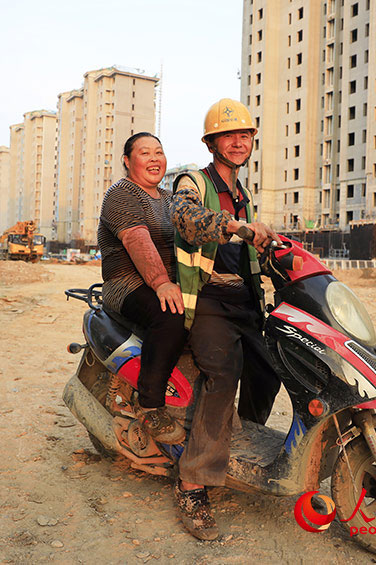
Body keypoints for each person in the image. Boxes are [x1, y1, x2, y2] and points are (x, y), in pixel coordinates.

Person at [170, 99, 283, 539]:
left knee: (270, 368)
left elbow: (249, 249)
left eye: (246, 135)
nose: (239, 142)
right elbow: (185, 218)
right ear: (212, 142)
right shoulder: (193, 182)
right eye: (229, 135)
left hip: (244, 300)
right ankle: (192, 483)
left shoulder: (244, 194)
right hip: (208, 298)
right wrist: (235, 227)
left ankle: (237, 445)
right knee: (224, 373)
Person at [96, 132, 187, 444]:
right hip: (127, 283)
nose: (154, 159)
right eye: (145, 153)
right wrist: (161, 283)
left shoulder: (169, 200)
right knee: (170, 316)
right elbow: (137, 239)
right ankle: (150, 405)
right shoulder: (121, 194)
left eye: (159, 152)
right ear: (127, 160)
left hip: (166, 282)